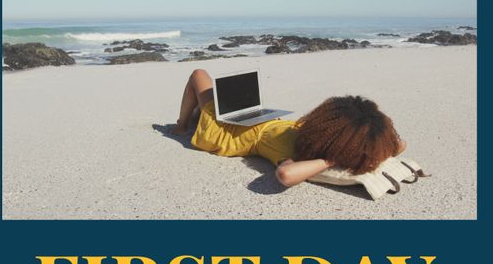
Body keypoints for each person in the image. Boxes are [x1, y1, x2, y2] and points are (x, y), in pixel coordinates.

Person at [173, 68, 406, 187]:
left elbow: (286, 175)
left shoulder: (300, 154)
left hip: (229, 132)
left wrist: (332, 159)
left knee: (198, 74)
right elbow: (399, 145)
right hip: (258, 119)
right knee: (218, 93)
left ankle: (182, 126)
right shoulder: (318, 137)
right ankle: (194, 116)